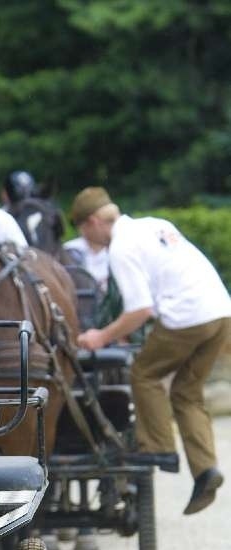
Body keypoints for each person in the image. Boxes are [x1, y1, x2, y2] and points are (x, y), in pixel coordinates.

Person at [74, 187, 230, 515]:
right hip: (220, 312)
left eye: (83, 232)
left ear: (92, 222)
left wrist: (101, 336)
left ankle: (158, 448)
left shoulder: (121, 248)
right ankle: (206, 470)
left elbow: (140, 309)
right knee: (187, 393)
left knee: (143, 374)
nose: (87, 240)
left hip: (187, 317)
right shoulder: (152, 224)